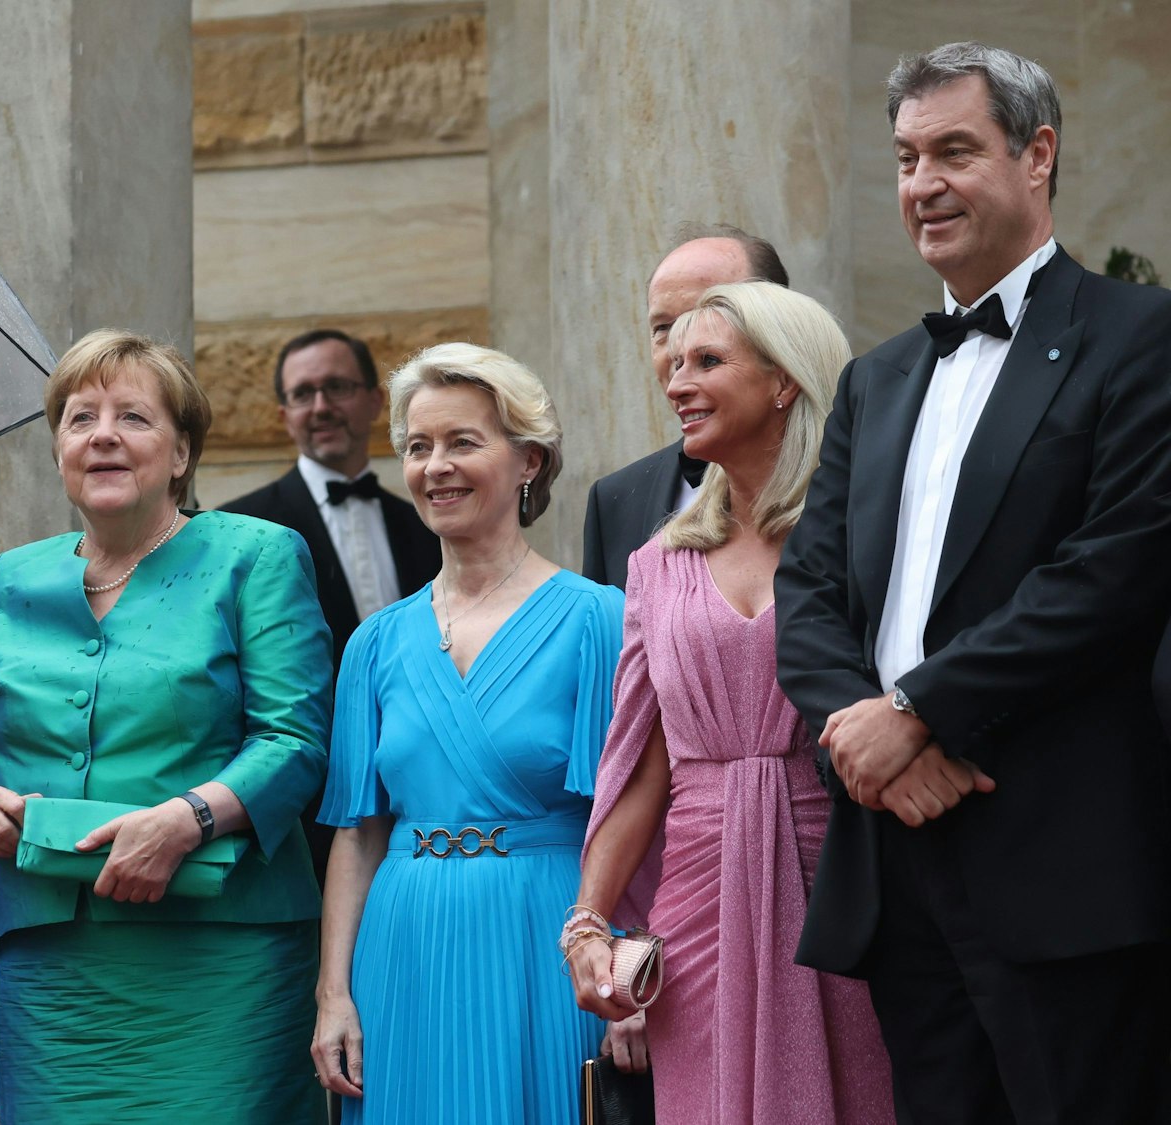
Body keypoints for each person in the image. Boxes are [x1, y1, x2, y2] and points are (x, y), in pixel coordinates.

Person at [776, 42, 1171, 1121]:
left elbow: (1116, 570)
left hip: (1060, 860)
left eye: (954, 151)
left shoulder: (1141, 335)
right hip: (894, 859)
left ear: (1036, 155)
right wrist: (869, 744)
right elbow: (808, 593)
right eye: (906, 159)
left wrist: (915, 711)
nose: (923, 184)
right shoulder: (875, 378)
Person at [0, 329, 330, 1125]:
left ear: (182, 453)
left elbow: (295, 740)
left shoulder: (256, 555)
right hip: (54, 967)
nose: (103, 435)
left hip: (224, 954)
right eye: (81, 418)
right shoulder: (11, 579)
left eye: (133, 417)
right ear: (59, 450)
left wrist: (187, 820)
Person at [567, 283, 893, 1123]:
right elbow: (639, 764)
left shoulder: (869, 533)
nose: (677, 382)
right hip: (697, 901)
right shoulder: (656, 563)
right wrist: (589, 921)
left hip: (849, 884)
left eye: (707, 361)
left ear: (784, 380)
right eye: (674, 362)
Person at [312, 343, 622, 1123]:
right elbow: (358, 833)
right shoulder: (374, 643)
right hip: (403, 943)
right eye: (418, 446)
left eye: (462, 441)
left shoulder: (599, 619)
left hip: (547, 935)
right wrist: (334, 993)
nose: (436, 466)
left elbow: (631, 818)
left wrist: (631, 972)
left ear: (528, 460)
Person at [221, 330, 439, 884]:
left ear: (374, 401)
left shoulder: (430, 524)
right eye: (303, 393)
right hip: (302, 812)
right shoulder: (239, 531)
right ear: (283, 414)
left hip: (426, 796)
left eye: (337, 387)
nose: (320, 406)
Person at [581, 225, 790, 590]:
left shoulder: (855, 478)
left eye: (705, 316)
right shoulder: (615, 501)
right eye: (664, 327)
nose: (680, 349)